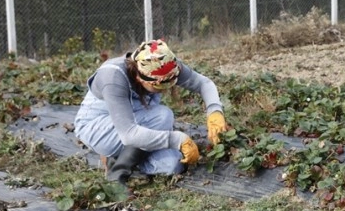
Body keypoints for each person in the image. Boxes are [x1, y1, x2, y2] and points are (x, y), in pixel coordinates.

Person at [74, 39, 229, 186]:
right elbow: (128, 134)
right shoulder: (113, 76)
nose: (166, 89)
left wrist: (215, 111)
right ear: (140, 78)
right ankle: (117, 172)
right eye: (159, 87)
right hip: (99, 127)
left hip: (138, 122)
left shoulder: (165, 64)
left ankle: (120, 158)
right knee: (162, 116)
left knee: (172, 165)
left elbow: (204, 83)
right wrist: (178, 139)